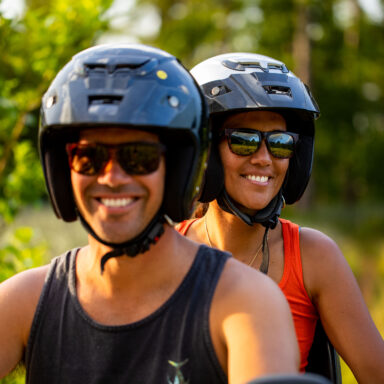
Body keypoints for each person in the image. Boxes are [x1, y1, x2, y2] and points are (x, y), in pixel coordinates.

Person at [0, 45, 300, 384]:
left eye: (139, 157)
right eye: (89, 158)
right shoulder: (27, 301)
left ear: (176, 171)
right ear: (63, 168)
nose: (112, 177)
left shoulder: (244, 302)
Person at [176, 52, 384, 383]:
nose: (264, 159)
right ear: (205, 151)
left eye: (281, 144)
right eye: (242, 141)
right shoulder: (168, 251)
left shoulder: (313, 256)